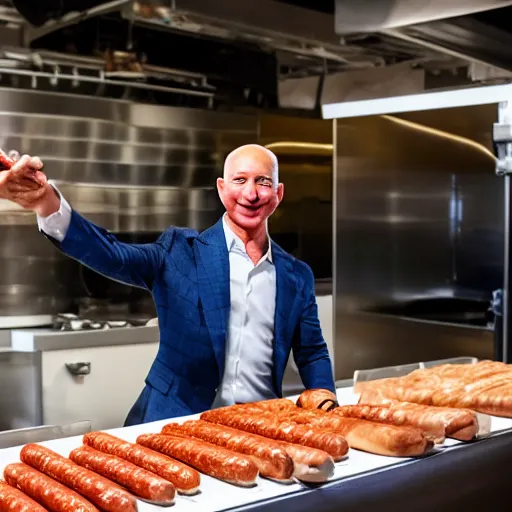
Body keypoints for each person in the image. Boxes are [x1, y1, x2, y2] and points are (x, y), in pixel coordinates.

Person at [0, 144, 335, 425]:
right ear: (221, 189)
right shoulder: (178, 253)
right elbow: (112, 254)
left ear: (277, 194)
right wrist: (46, 202)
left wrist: (327, 404)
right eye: (240, 180)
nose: (251, 193)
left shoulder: (296, 276)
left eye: (263, 182)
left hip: (260, 428)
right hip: (176, 425)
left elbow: (313, 352)